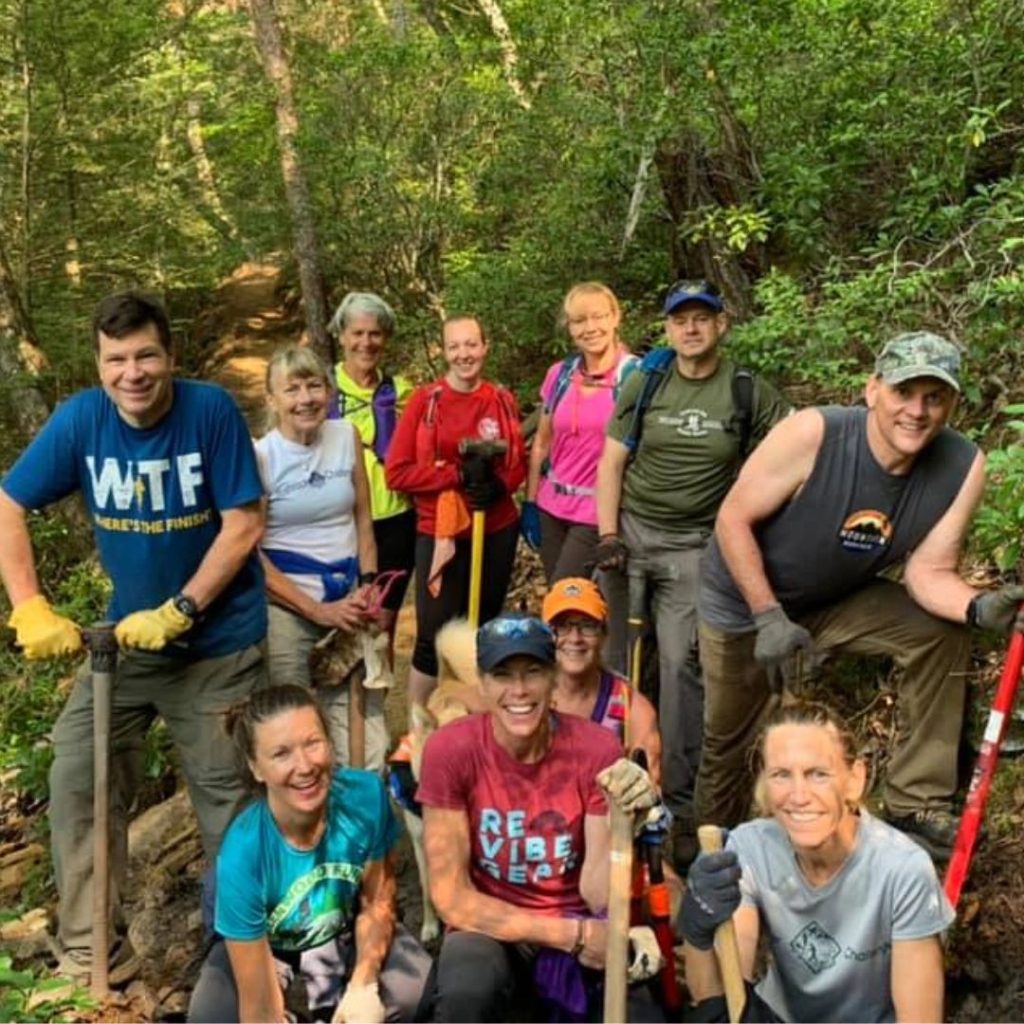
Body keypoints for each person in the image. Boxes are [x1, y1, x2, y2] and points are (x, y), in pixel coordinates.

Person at [0, 291, 267, 983]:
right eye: (116, 359)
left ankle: (242, 954)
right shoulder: (81, 420)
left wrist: (183, 608)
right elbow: (8, 501)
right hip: (123, 648)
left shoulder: (209, 412)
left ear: (170, 356)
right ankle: (93, 947)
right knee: (78, 769)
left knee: (225, 798)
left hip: (218, 646)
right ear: (98, 364)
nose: (133, 372)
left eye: (146, 354)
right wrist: (29, 605)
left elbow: (244, 523)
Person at [696, 331, 1024, 857]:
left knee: (939, 632)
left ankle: (915, 801)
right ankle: (709, 854)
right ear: (873, 390)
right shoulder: (814, 434)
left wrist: (977, 607)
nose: (916, 411)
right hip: (742, 598)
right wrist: (767, 616)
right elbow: (733, 521)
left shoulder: (962, 466)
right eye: (903, 393)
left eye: (934, 397)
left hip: (837, 595)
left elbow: (929, 572)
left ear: (951, 404)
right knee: (730, 736)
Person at [594, 279, 790, 869]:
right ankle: (601, 787)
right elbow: (612, 460)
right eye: (681, 320)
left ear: (720, 325)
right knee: (612, 664)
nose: (691, 329)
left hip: (695, 549)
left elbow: (790, 457)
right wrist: (608, 534)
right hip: (631, 536)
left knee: (682, 668)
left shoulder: (745, 390)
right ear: (668, 328)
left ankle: (679, 804)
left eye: (702, 318)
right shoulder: (646, 382)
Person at [416, 613, 665, 1022]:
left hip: (578, 914)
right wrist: (571, 936)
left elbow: (598, 894)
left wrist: (625, 825)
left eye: (533, 671)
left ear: (552, 680)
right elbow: (452, 899)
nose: (519, 690)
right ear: (482, 684)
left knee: (643, 1017)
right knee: (464, 994)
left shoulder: (596, 750)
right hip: (489, 925)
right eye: (502, 674)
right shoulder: (451, 751)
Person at [680, 701, 953, 1023]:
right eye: (781, 775)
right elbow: (718, 999)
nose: (798, 796)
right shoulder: (750, 848)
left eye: (818, 774)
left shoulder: (901, 870)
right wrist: (697, 931)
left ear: (855, 779)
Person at [188, 685, 433, 1023]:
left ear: (330, 744)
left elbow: (378, 899)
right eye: (281, 754)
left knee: (413, 991)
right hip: (265, 946)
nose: (304, 766)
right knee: (212, 1018)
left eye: (313, 743)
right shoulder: (244, 854)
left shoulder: (365, 796)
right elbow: (258, 1011)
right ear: (256, 768)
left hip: (340, 927)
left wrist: (364, 984)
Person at [255, 345, 387, 769]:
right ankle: (307, 821)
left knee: (363, 718)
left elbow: (363, 518)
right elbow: (249, 551)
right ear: (272, 399)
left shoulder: (345, 435)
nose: (305, 398)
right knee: (295, 725)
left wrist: (368, 585)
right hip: (288, 604)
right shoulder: (261, 456)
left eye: (314, 385)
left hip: (349, 593)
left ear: (328, 391)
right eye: (291, 389)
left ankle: (362, 809)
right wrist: (317, 610)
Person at [385, 315, 526, 706]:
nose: (464, 354)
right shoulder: (425, 402)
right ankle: (418, 731)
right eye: (455, 346)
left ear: (485, 346)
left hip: (495, 528)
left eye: (471, 344)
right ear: (444, 352)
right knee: (434, 635)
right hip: (441, 533)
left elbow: (516, 462)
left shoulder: (500, 399)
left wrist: (499, 486)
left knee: (483, 631)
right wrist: (455, 475)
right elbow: (397, 473)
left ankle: (475, 722)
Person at [523, 283, 636, 581]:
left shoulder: (633, 376)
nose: (590, 328)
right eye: (579, 320)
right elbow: (542, 443)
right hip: (551, 508)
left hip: (597, 515)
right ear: (570, 328)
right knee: (562, 601)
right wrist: (531, 502)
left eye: (598, 316)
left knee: (569, 597)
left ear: (615, 318)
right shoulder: (560, 374)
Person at [327, 293, 416, 653]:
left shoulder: (403, 393)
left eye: (375, 334)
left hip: (395, 519)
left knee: (382, 625)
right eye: (357, 333)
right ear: (342, 335)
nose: (366, 342)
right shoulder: (322, 389)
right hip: (340, 521)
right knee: (340, 620)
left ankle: (376, 704)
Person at [541, 576, 661, 780]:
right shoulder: (527, 698)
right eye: (562, 626)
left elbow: (651, 796)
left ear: (604, 634)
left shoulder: (631, 709)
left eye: (587, 626)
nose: (575, 638)